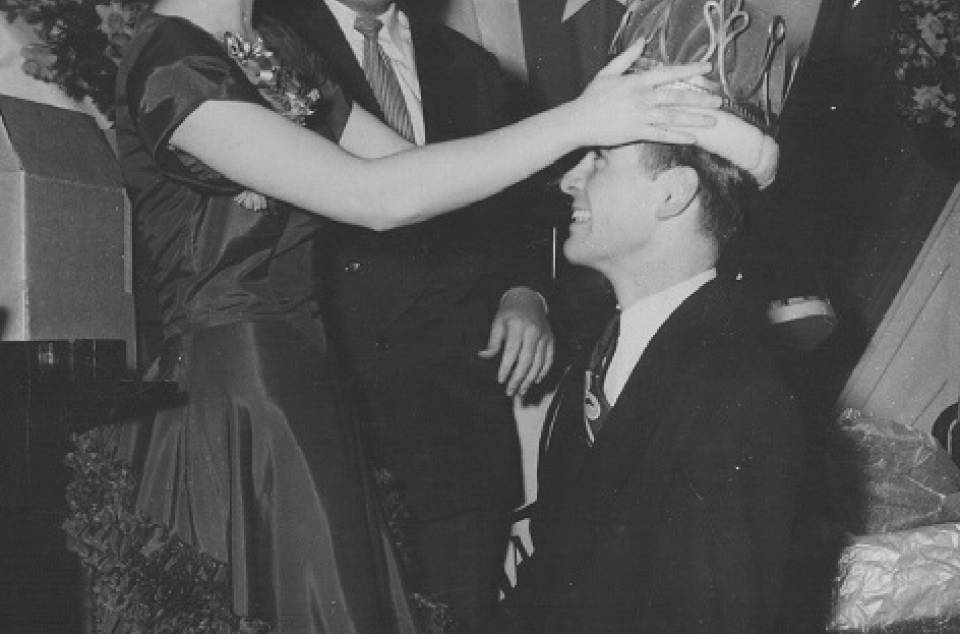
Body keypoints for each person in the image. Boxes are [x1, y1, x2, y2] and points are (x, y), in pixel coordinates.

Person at [69, 0, 724, 631]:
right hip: (233, 402)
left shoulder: (270, 46)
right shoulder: (170, 56)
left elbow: (409, 170)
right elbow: (373, 197)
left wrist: (605, 142)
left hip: (300, 391)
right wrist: (579, 123)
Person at [513, 1, 823, 632]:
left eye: (599, 159)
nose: (571, 179)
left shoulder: (738, 397)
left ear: (673, 193)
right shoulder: (601, 355)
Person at [255, 1, 551, 628]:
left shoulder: (470, 64)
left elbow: (515, 212)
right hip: (321, 415)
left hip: (455, 428)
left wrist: (525, 291)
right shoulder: (265, 43)